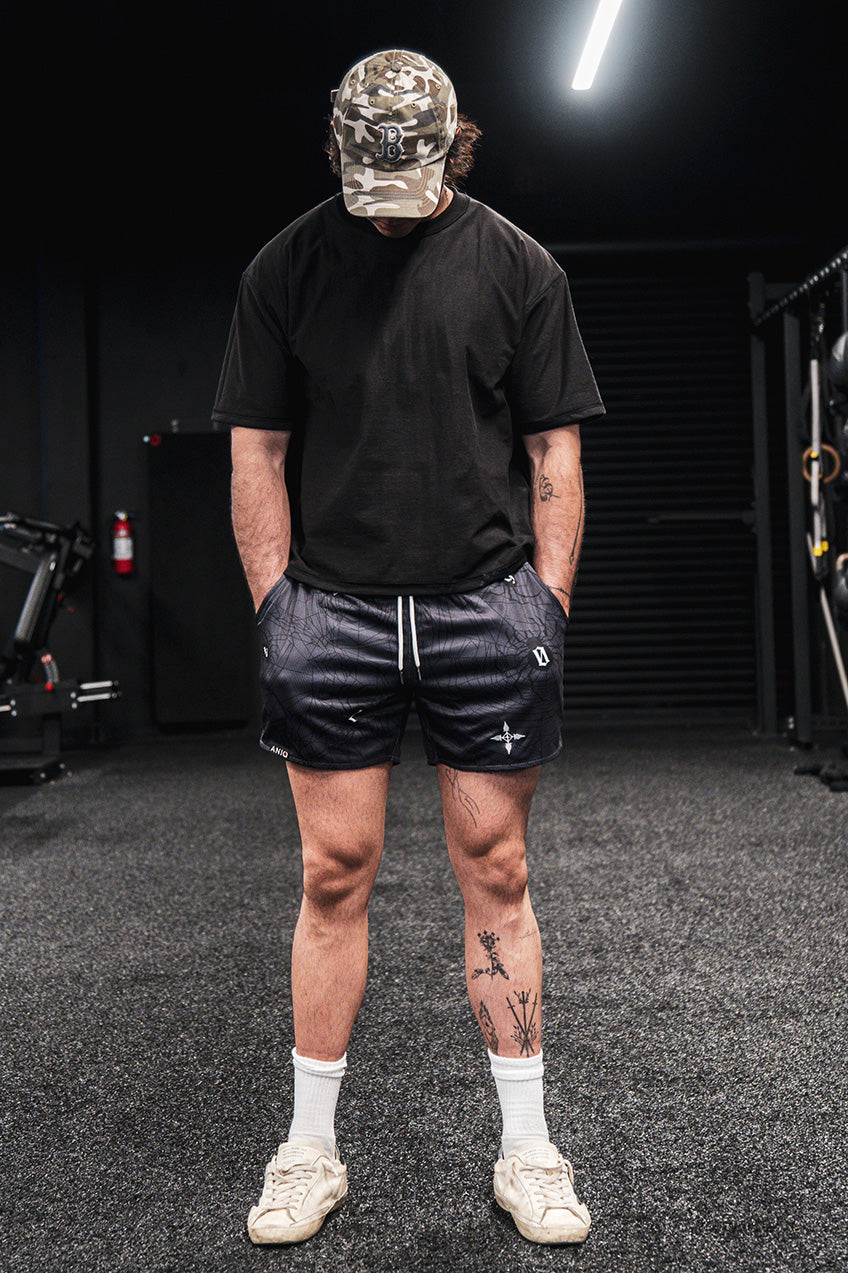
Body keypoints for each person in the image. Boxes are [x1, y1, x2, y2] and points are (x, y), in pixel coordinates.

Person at [212, 48, 604, 1247]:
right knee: (333, 873)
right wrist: (277, 609)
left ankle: (527, 1149)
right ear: (339, 150)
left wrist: (543, 604)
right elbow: (256, 452)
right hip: (331, 613)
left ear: (449, 149)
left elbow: (552, 450)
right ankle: (308, 1149)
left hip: (483, 607)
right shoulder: (285, 268)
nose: (385, 208)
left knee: (497, 868)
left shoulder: (517, 267)